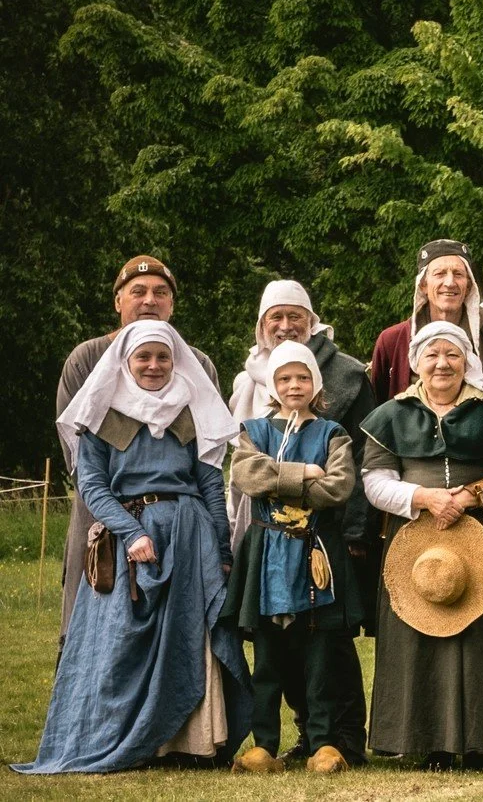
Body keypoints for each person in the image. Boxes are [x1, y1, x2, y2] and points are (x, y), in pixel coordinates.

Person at [16, 321, 250, 774]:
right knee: (122, 642)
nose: (153, 365)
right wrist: (130, 532)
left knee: (189, 638)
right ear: (125, 362)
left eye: (163, 357)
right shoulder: (100, 414)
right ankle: (125, 741)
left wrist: (221, 552)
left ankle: (191, 744)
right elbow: (92, 485)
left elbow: (209, 484)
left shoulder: (192, 410)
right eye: (143, 356)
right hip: (130, 539)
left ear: (176, 361)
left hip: (189, 537)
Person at [360, 321, 483, 770]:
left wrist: (469, 497)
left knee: (481, 639)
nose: (442, 364)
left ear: (467, 361)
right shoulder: (392, 414)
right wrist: (423, 498)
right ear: (416, 363)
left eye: (452, 354)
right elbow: (375, 481)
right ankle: (432, 744)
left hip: (482, 537)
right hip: (414, 545)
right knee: (420, 639)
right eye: (432, 355)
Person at [226, 279, 379, 763]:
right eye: (276, 316)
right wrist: (303, 474)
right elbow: (246, 474)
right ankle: (268, 744)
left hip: (321, 547)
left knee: (324, 650)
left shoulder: (338, 410)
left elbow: (342, 483)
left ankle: (331, 740)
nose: (286, 324)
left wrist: (281, 482)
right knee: (271, 654)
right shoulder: (252, 414)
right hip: (268, 549)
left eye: (295, 315)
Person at [55, 255, 219, 632]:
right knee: (95, 628)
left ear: (172, 304)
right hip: (102, 514)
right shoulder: (86, 359)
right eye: (138, 291)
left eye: (160, 293)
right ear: (118, 301)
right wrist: (124, 521)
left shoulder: (198, 365)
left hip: (179, 525)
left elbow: (208, 456)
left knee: (178, 631)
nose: (149, 300)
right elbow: (79, 458)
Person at [369, 238, 483, 398]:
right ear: (423, 285)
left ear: (468, 286)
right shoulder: (391, 342)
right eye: (439, 274)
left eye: (458, 274)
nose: (450, 282)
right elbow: (378, 408)